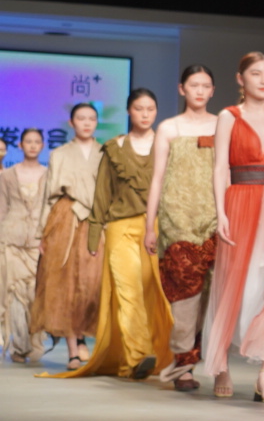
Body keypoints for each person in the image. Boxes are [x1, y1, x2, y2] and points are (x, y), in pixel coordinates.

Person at [55, 90, 174, 380]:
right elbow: (103, 192)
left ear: (156, 112)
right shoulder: (114, 148)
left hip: (156, 228)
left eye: (150, 109)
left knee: (155, 293)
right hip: (120, 227)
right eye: (139, 108)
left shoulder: (167, 145)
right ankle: (138, 354)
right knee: (127, 290)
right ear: (128, 111)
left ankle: (162, 354)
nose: (145, 114)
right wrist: (94, 234)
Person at [199, 53, 264, 403]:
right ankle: (221, 364)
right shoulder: (229, 116)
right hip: (239, 200)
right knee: (232, 284)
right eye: (256, 74)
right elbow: (220, 168)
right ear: (241, 79)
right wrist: (221, 211)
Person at [144, 65, 219, 392]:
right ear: (181, 89)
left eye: (205, 85)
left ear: (213, 90)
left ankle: (207, 361)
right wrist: (150, 225)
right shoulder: (169, 127)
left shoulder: (222, 124)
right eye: (193, 85)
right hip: (177, 219)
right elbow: (157, 178)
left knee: (213, 294)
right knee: (185, 293)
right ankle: (184, 364)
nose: (199, 91)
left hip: (215, 216)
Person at [30, 104, 102, 367]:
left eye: (91, 118)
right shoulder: (59, 154)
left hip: (96, 221)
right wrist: (42, 233)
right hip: (65, 218)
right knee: (65, 284)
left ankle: (82, 336)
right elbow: (48, 197)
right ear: (71, 122)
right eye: (81, 118)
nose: (86, 123)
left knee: (92, 284)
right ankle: (73, 348)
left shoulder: (105, 153)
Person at [1, 129, 48, 363]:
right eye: (28, 141)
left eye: (37, 142)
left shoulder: (49, 175)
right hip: (11, 238)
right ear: (20, 145)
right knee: (15, 294)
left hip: (39, 242)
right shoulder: (7, 175)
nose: (32, 145)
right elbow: (2, 208)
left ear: (42, 146)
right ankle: (19, 347)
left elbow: (50, 208)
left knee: (34, 294)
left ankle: (34, 342)